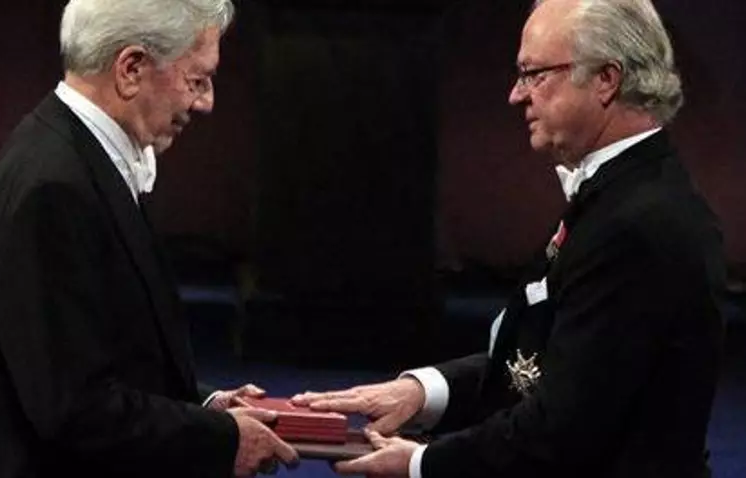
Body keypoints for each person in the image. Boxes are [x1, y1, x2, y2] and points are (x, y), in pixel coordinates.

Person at [293, 0, 726, 477]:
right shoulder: (622, 195)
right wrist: (421, 392)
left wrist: (421, 463)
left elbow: (564, 428)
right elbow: (549, 364)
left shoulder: (639, 223)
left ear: (607, 79)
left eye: (533, 74)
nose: (515, 95)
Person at [0, 0, 298, 477]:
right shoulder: (55, 186)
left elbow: (105, 355)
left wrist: (206, 408)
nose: (206, 102)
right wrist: (221, 439)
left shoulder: (78, 157)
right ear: (131, 69)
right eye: (197, 80)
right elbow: (75, 408)